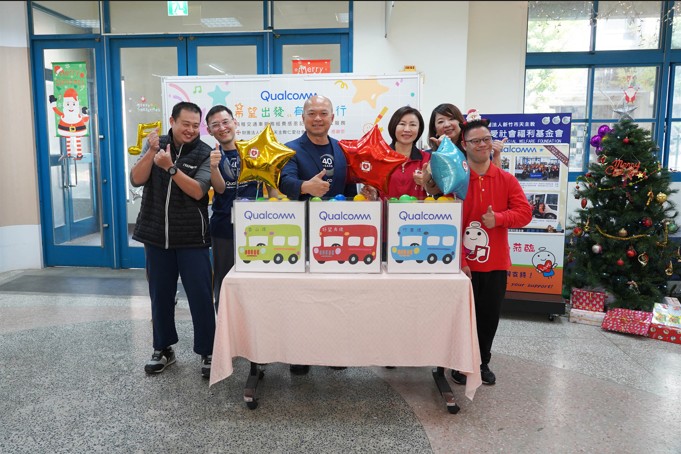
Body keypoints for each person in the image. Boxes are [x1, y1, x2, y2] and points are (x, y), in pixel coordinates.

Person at [279, 94, 375, 375]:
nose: (317, 118)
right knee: (302, 297)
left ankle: (335, 349)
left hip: (341, 237)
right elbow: (285, 181)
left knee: (337, 296)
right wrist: (305, 187)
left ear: (333, 118)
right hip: (305, 235)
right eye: (312, 113)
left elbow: (349, 189)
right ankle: (300, 354)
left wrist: (364, 194)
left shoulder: (343, 149)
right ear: (303, 118)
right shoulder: (290, 149)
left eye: (323, 113)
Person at [445, 110, 532, 385]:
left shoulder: (506, 179)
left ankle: (482, 362)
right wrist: (460, 259)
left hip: (495, 263)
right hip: (463, 265)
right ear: (464, 145)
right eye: (475, 141)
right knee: (461, 318)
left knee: (488, 317)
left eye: (486, 139)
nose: (482, 145)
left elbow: (525, 213)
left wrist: (500, 219)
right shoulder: (456, 181)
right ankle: (459, 363)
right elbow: (448, 223)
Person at [130, 101, 216, 379]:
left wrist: (170, 168)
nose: (190, 130)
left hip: (192, 237)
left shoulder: (204, 153)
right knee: (160, 296)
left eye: (195, 125)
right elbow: (136, 179)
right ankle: (163, 348)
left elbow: (199, 191)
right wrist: (151, 152)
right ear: (172, 121)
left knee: (201, 297)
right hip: (156, 236)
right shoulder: (156, 144)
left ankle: (208, 351)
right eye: (185, 124)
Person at [205, 105, 279, 310]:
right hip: (223, 228)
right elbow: (220, 189)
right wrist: (213, 167)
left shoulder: (254, 151)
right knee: (224, 281)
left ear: (235, 123)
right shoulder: (212, 156)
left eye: (225, 122)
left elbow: (271, 187)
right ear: (209, 130)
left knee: (255, 279)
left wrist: (275, 212)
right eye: (215, 125)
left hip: (257, 229)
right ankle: (224, 323)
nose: (222, 128)